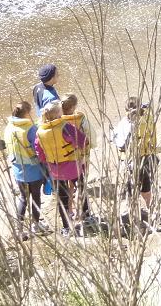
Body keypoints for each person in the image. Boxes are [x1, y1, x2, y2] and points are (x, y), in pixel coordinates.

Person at [34, 100, 87, 236]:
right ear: (59, 113)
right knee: (81, 188)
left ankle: (66, 227)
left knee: (62, 198)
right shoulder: (65, 127)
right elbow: (82, 141)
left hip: (55, 169)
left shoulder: (40, 131)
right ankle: (86, 218)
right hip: (72, 165)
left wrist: (49, 161)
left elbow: (39, 152)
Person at [3, 100, 46, 239]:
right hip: (33, 170)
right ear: (27, 113)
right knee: (36, 197)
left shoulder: (8, 128)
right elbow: (38, 149)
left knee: (23, 198)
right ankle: (35, 225)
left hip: (18, 170)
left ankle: (19, 228)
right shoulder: (31, 129)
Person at [113, 97, 159, 213]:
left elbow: (121, 144)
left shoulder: (127, 124)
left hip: (132, 161)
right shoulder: (148, 118)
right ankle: (150, 208)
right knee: (146, 186)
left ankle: (133, 211)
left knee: (131, 188)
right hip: (147, 157)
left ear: (127, 110)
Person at [61, 94, 96, 227]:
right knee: (81, 184)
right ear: (74, 107)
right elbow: (91, 136)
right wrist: (91, 146)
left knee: (70, 185)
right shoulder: (81, 119)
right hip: (81, 157)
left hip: (65, 159)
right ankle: (82, 213)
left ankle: (70, 211)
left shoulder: (58, 121)